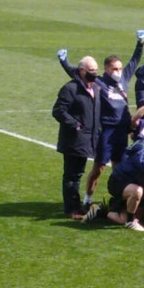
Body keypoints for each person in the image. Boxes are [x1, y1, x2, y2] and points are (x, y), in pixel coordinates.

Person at [56, 30, 144, 207]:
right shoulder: (98, 82)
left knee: (120, 166)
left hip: (122, 130)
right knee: (99, 167)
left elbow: (134, 61)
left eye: (119, 68)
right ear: (106, 69)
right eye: (114, 69)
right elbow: (77, 73)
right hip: (106, 131)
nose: (118, 72)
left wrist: (140, 43)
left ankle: (120, 198)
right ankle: (88, 199)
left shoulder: (124, 79)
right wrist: (64, 61)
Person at [83, 128, 144, 231]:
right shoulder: (142, 148)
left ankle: (102, 210)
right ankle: (130, 221)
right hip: (120, 182)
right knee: (137, 191)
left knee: (135, 217)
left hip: (138, 183)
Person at [52, 56, 101, 220]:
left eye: (95, 70)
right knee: (72, 175)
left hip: (89, 138)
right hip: (74, 139)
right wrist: (75, 125)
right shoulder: (70, 89)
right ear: (81, 71)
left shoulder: (96, 88)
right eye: (91, 71)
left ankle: (76, 206)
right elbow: (58, 110)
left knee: (78, 174)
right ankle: (71, 209)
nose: (94, 74)